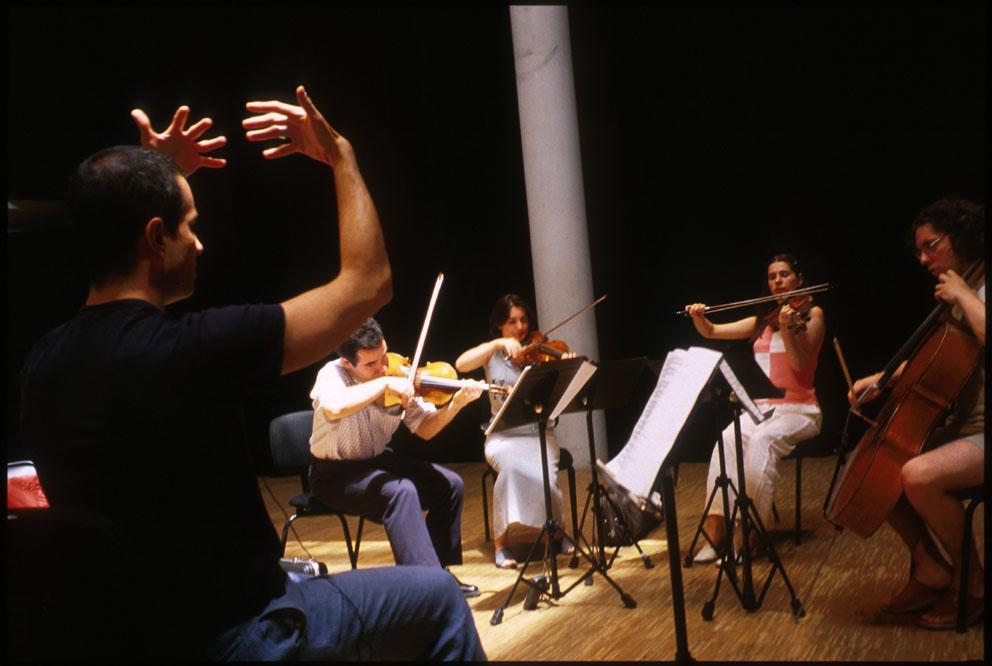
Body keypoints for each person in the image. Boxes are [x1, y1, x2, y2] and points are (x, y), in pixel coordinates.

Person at [19, 86, 486, 660]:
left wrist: (149, 178)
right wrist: (341, 155)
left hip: (128, 640)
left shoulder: (41, 366)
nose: (200, 241)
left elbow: (122, 309)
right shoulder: (195, 349)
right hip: (242, 632)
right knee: (438, 597)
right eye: (188, 225)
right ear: (155, 235)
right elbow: (369, 285)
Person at [848, 197, 984, 630]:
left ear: (960, 237)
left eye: (932, 246)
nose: (924, 259)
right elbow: (940, 355)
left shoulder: (978, 286)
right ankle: (930, 568)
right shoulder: (964, 288)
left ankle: (975, 584)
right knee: (879, 462)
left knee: (918, 475)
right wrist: (882, 377)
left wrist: (963, 292)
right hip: (967, 425)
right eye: (920, 250)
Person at [309, 317, 486, 594]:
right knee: (401, 492)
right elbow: (333, 407)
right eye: (371, 365)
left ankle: (440, 573)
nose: (382, 368)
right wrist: (384, 385)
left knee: (450, 485)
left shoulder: (395, 374)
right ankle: (424, 587)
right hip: (334, 474)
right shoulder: (332, 374)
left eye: (383, 357)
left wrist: (457, 405)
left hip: (376, 462)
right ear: (347, 363)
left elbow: (426, 429)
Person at [684, 254, 825, 562]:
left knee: (762, 441)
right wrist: (699, 316)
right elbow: (711, 331)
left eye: (785, 274)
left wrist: (788, 329)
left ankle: (747, 534)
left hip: (800, 410)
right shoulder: (763, 321)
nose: (778, 281)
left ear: (799, 279)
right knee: (727, 439)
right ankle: (715, 532)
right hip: (761, 410)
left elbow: (800, 365)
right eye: (773, 276)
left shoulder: (813, 315)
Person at [455, 294, 575, 569]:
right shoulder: (492, 354)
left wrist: (564, 364)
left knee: (545, 471)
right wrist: (496, 344)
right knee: (509, 468)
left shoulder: (541, 349)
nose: (520, 328)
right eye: (512, 322)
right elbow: (461, 364)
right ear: (499, 325)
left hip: (538, 433)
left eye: (523, 320)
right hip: (502, 436)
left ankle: (554, 533)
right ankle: (501, 545)